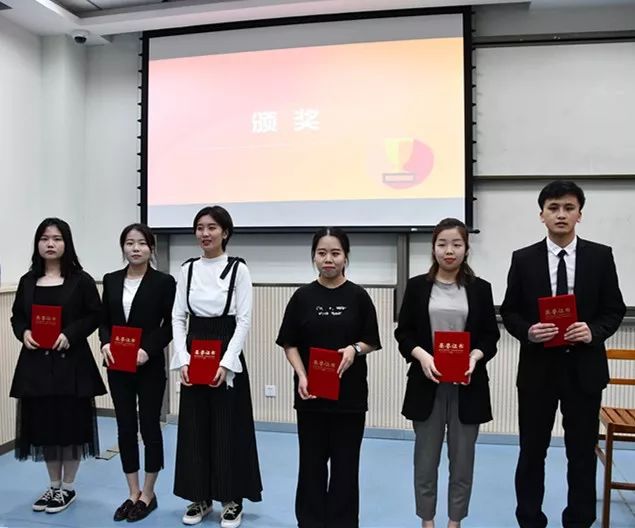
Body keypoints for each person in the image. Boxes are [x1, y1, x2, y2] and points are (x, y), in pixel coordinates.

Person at [500, 180, 625, 528]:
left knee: (581, 453)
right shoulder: (523, 259)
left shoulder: (600, 256)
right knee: (531, 452)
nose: (561, 214)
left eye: (569, 208)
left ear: (579, 215)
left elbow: (614, 310)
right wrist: (529, 331)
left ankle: (579, 520)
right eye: (553, 208)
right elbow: (509, 311)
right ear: (541, 215)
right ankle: (529, 519)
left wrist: (593, 331)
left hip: (583, 370)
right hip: (538, 370)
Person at [394, 218, 499, 528]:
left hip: (468, 384)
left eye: (456, 244)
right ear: (433, 248)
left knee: (462, 463)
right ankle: (427, 520)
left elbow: (489, 337)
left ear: (466, 248)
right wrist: (422, 355)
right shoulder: (417, 287)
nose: (449, 251)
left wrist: (475, 356)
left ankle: (455, 522)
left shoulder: (480, 289)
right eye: (442, 244)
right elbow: (404, 333)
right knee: (425, 462)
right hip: (427, 383)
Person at [276, 227, 382, 528]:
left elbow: (371, 340)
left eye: (335, 253)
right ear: (314, 257)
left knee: (346, 466)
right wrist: (301, 374)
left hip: (350, 398)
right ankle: (309, 521)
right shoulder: (302, 297)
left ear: (346, 257)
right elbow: (289, 343)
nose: (328, 259)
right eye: (322, 253)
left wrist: (353, 349)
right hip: (310, 395)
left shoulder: (359, 296)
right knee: (311, 465)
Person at [170, 206, 262, 527]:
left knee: (227, 427)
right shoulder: (188, 269)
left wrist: (226, 362)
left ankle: (232, 499)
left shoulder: (239, 269)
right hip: (194, 352)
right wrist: (183, 358)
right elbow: (178, 317)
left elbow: (244, 320)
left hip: (226, 354)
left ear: (225, 232)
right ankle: (200, 497)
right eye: (199, 227)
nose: (205, 233)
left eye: (211, 227)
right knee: (195, 428)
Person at [9, 217, 106, 513]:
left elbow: (95, 315)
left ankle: (69, 488)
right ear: (37, 244)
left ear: (67, 243)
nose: (50, 244)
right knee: (46, 427)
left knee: (70, 427)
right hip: (36, 366)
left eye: (57, 238)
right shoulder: (28, 281)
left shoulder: (81, 280)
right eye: (44, 238)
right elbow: (17, 317)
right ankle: (53, 486)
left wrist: (70, 334)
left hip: (71, 364)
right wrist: (23, 333)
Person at [99, 223, 176, 522]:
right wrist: (105, 342)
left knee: (150, 427)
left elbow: (171, 324)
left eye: (142, 243)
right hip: (118, 365)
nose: (135, 248)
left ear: (151, 248)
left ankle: (148, 493)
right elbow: (104, 320)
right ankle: (132, 492)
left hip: (149, 364)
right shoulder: (111, 280)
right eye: (130, 243)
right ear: (123, 247)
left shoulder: (164, 282)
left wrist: (148, 349)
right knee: (125, 427)